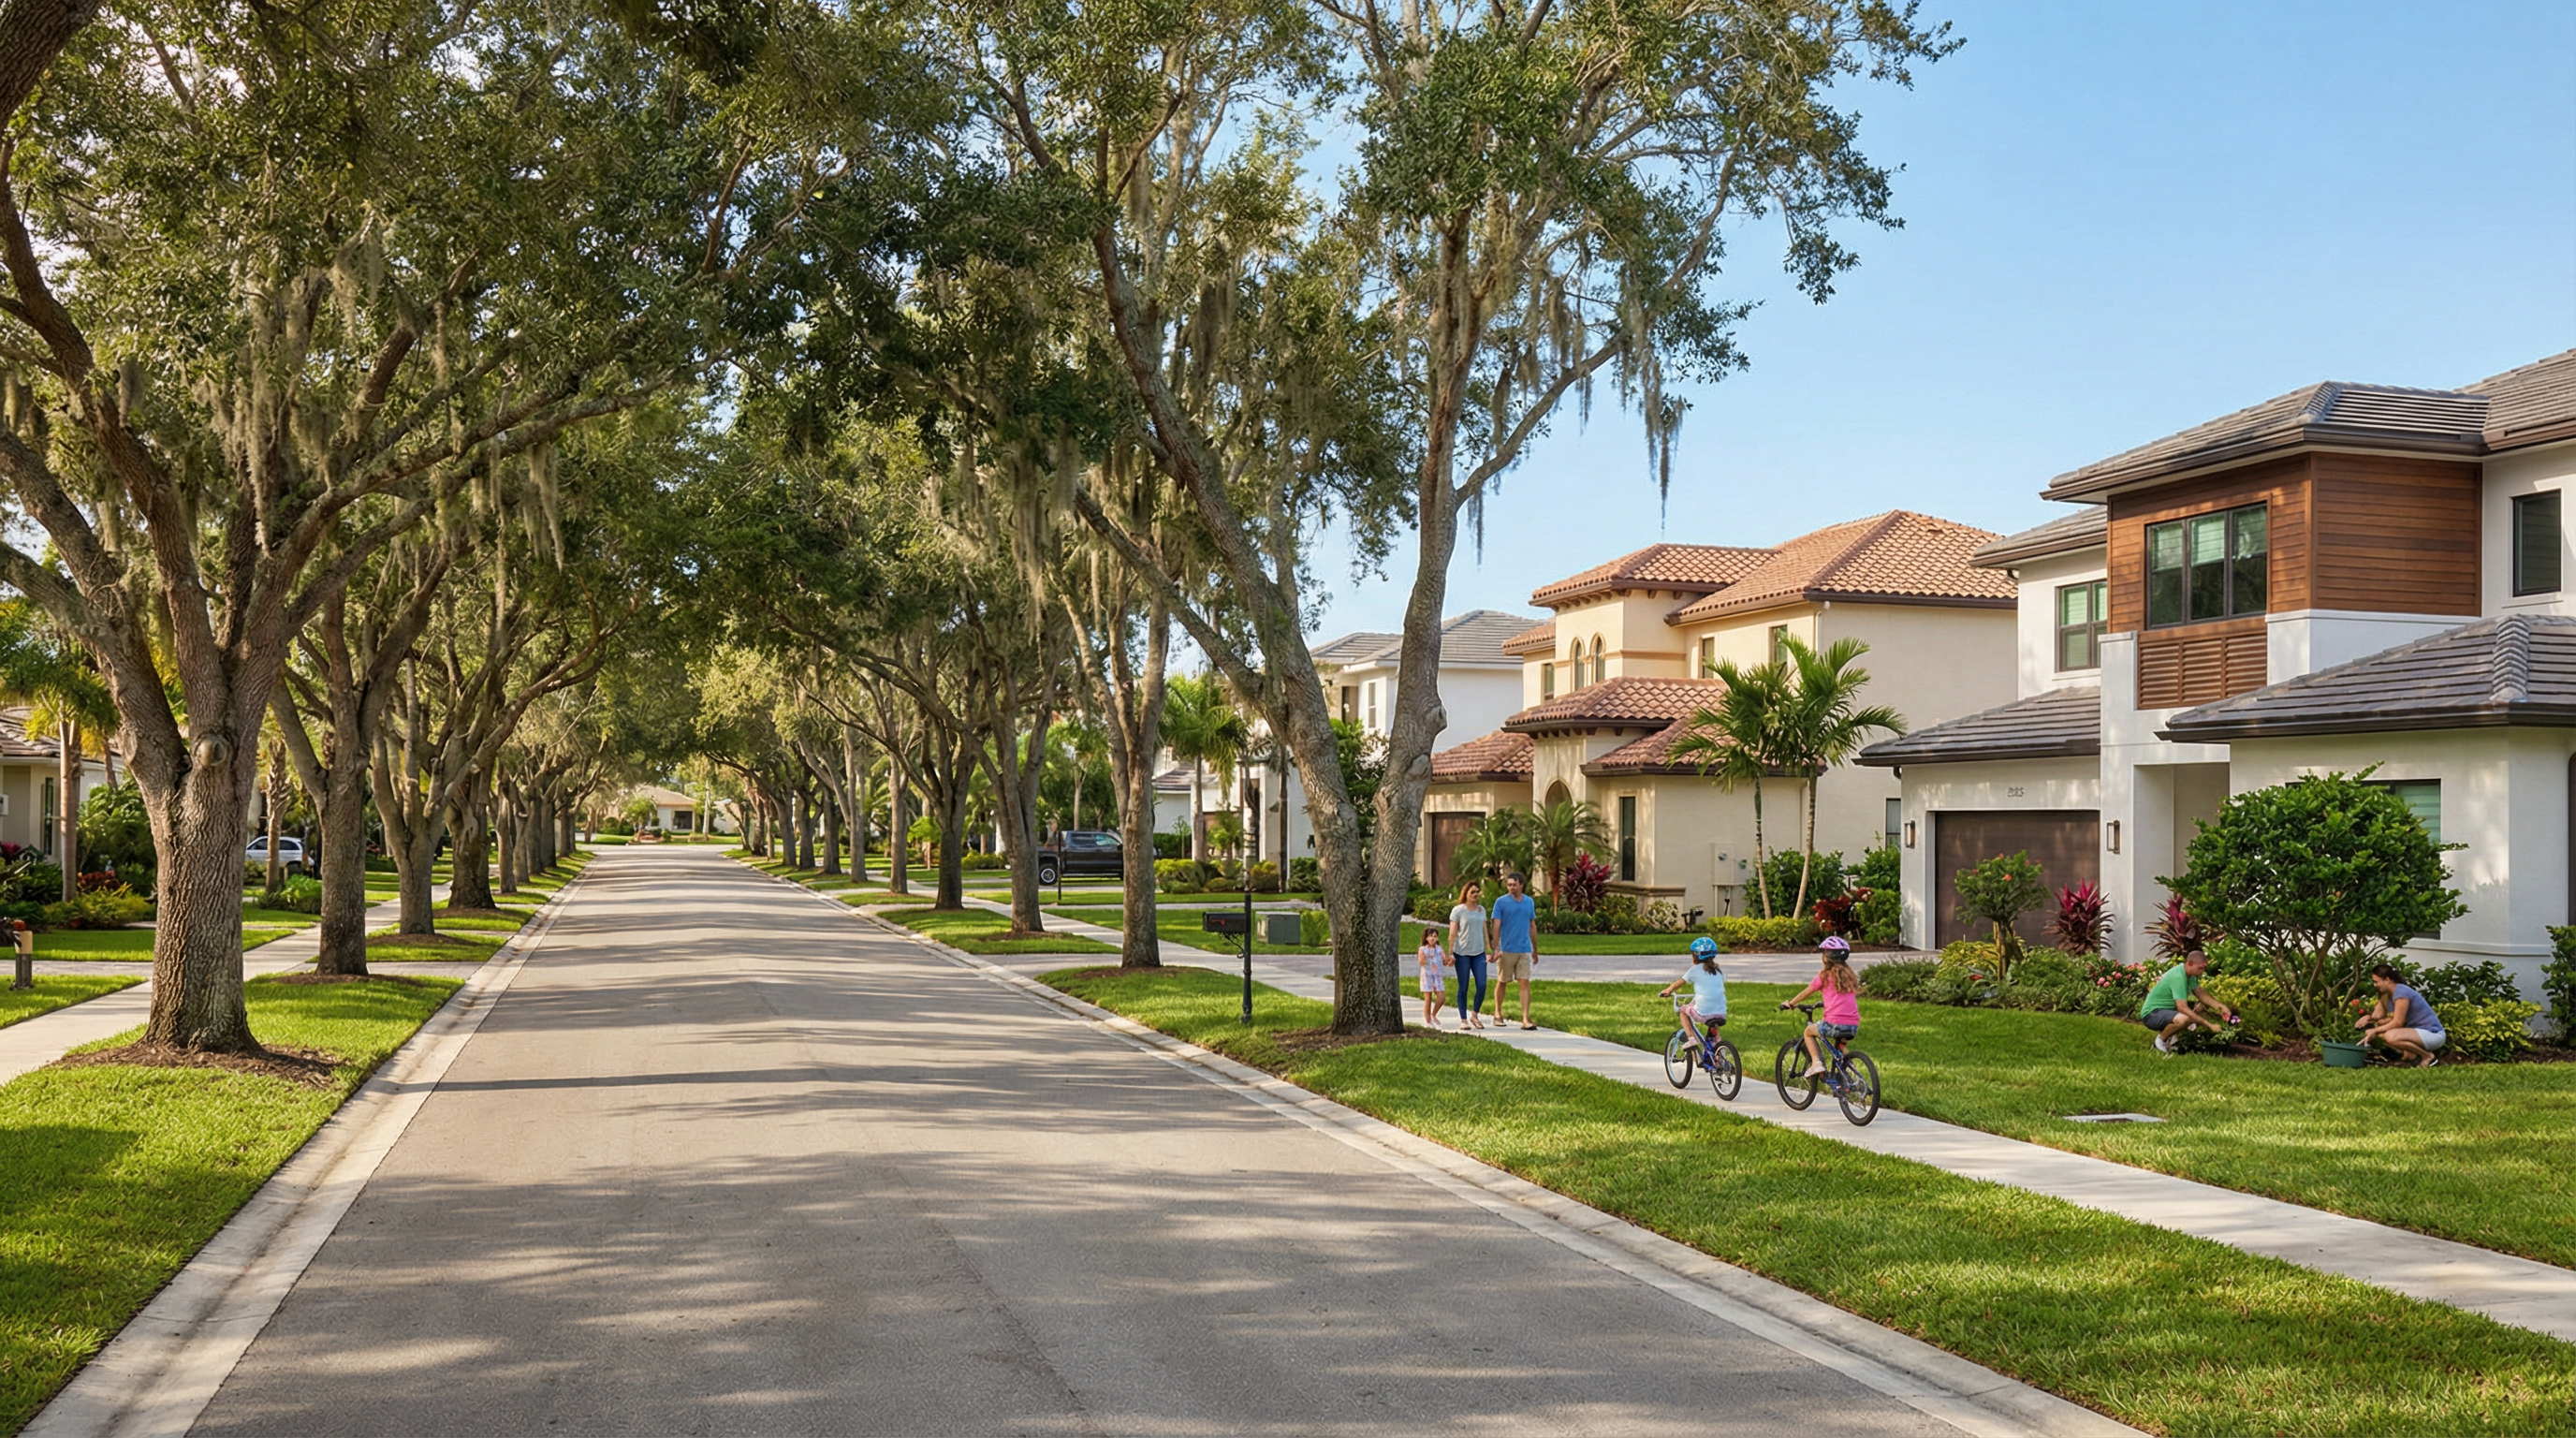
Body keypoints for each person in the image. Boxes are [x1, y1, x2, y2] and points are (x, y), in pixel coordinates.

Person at [1780, 936, 1861, 1075]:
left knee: (1808, 1032)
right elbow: (1841, 998)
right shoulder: (1849, 976)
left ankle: (1816, 1063)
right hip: (1853, 1025)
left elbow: (1806, 992)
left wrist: (1791, 1003)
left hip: (1834, 1024)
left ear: (1826, 957)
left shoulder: (1824, 976)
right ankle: (1851, 1074)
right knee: (1840, 1048)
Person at [2137, 946, 2238, 1054]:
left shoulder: (2190, 975)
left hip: (2166, 1012)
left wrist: (2221, 1007)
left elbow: (2202, 995)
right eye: (2200, 968)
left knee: (2193, 1014)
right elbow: (2182, 1008)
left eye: (2204, 968)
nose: (2202, 972)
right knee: (2185, 1018)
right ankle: (2160, 1042)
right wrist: (2209, 1025)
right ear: (2190, 963)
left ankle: (2171, 1041)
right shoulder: (2178, 976)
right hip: (2151, 1015)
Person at [2357, 962, 2446, 1066]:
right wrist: (2367, 1019)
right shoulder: (2387, 995)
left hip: (2433, 1034)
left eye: (2376, 982)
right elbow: (2377, 1017)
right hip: (2417, 1033)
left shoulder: (2401, 993)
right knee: (2383, 1033)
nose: (2374, 985)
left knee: (2390, 1036)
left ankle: (2427, 1056)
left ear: (2387, 979)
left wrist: (2374, 1030)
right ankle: (2411, 1057)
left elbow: (2398, 1022)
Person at [1657, 936, 1728, 1053]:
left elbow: (1681, 982)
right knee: (1713, 1025)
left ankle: (1691, 1038)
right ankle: (1718, 1053)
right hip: (1721, 1012)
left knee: (1684, 1011)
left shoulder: (1695, 970)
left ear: (1696, 956)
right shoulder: (1718, 971)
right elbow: (1712, 990)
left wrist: (1668, 990)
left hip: (1703, 1012)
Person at [1490, 873, 1540, 1030]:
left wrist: (1535, 949)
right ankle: (1497, 1013)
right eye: (1509, 885)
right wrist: (1495, 948)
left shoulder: (1529, 902)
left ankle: (1525, 1018)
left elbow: (1532, 925)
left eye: (1514, 884)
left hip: (1524, 949)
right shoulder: (1501, 902)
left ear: (1521, 885)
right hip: (1507, 950)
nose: (1511, 887)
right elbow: (1496, 925)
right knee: (1503, 981)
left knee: (1524, 982)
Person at [1447, 880, 1491, 1030]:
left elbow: (1485, 931)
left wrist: (1489, 949)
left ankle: (1475, 1014)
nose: (1475, 894)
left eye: (1477, 891)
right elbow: (1452, 933)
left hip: (1478, 953)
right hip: (1462, 953)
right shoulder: (1458, 910)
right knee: (1463, 987)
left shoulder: (1481, 910)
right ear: (1465, 893)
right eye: (1472, 891)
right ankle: (1463, 1019)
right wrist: (1450, 953)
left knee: (1482, 984)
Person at [1416, 928, 1449, 1030]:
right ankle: (1428, 1021)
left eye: (1435, 936)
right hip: (1427, 976)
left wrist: (1450, 960)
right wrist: (1426, 959)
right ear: (1426, 938)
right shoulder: (1422, 949)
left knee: (1441, 997)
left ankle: (1433, 1015)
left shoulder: (1439, 949)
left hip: (1437, 977)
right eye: (1430, 936)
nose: (1432, 938)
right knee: (1428, 998)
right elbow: (1421, 962)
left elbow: (1444, 961)